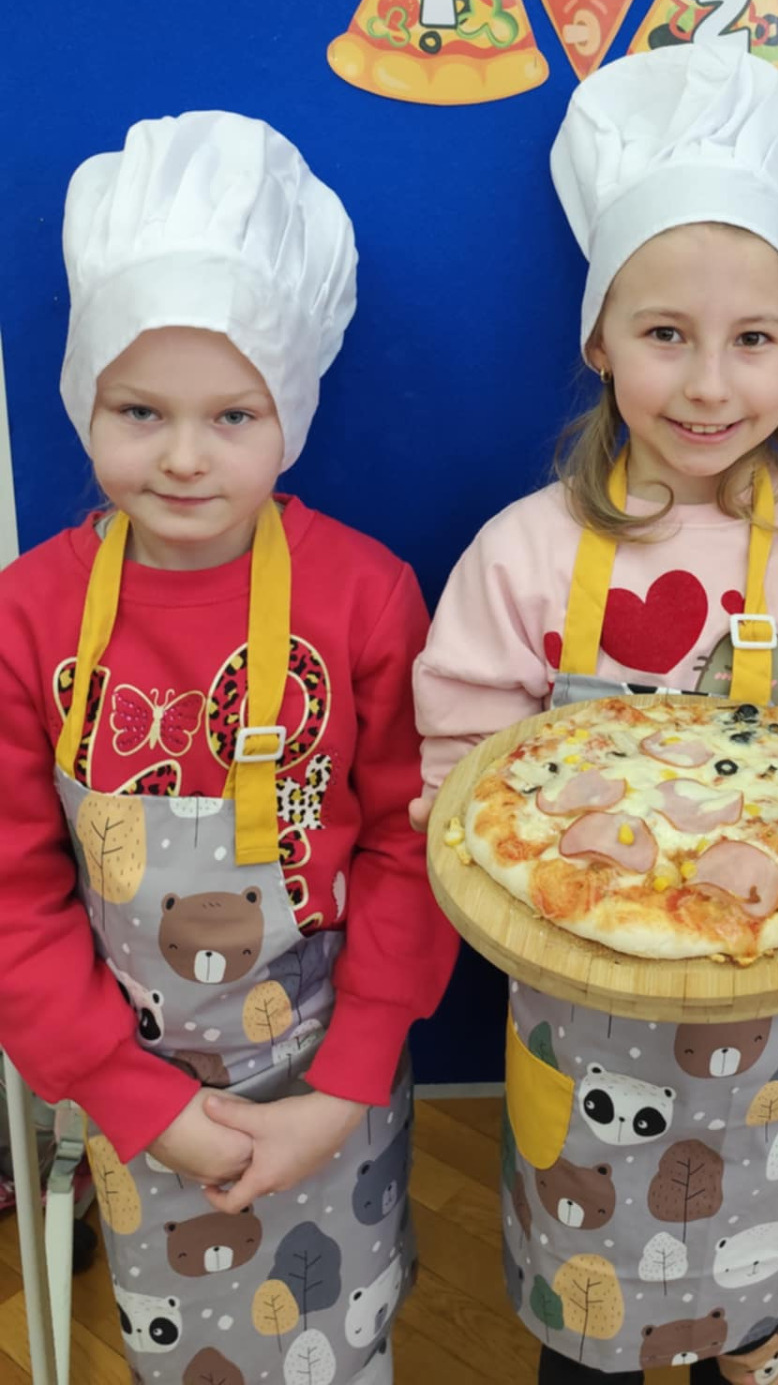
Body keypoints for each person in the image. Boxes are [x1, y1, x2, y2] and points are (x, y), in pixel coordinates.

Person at [412, 40, 778, 1382]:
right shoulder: (524, 552)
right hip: (577, 1008)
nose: (711, 385)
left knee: (753, 1280)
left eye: (752, 340)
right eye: (666, 335)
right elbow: (463, 778)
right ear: (598, 340)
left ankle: (760, 1340)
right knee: (590, 1307)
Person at [0, 111, 457, 1382]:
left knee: (339, 1336)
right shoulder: (27, 616)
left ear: (289, 415)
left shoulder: (366, 595)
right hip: (135, 1098)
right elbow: (13, 892)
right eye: (140, 410)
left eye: (234, 415)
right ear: (83, 402)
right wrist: (130, 1095)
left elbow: (410, 846)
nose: (185, 457)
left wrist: (345, 1082)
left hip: (332, 1081)